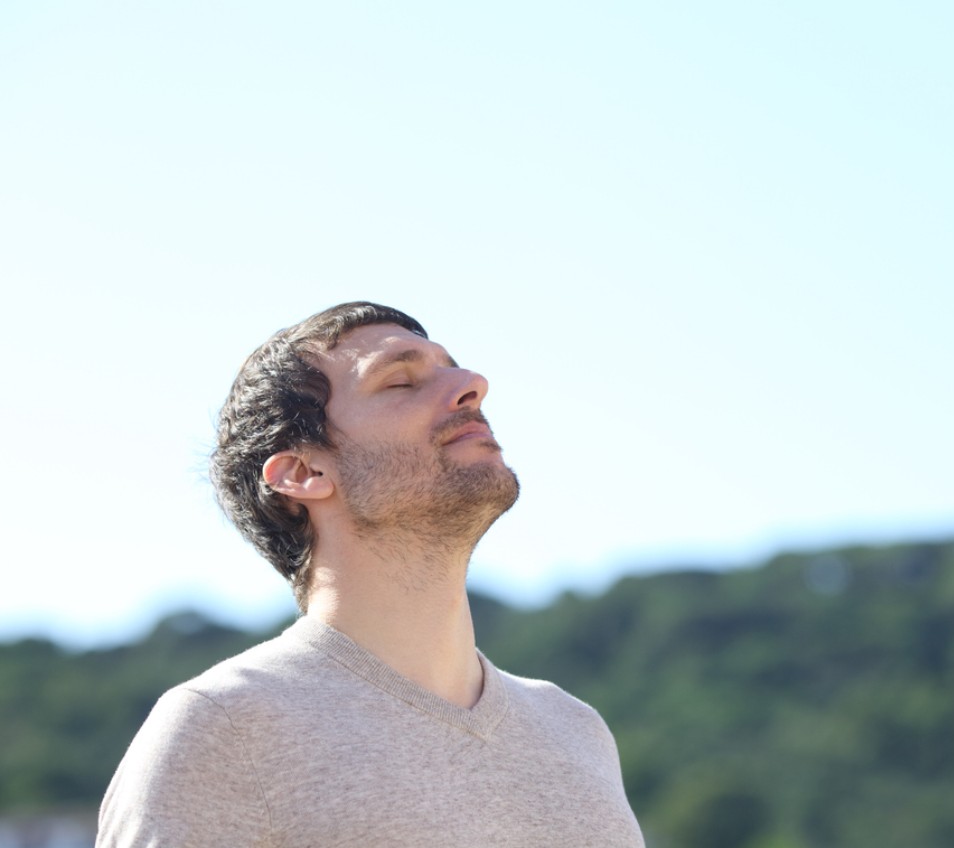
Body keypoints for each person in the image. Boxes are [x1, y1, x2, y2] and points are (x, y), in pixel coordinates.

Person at [97, 302, 644, 847]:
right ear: (305, 472)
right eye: (400, 381)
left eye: (453, 367)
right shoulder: (227, 729)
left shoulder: (575, 731)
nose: (473, 383)